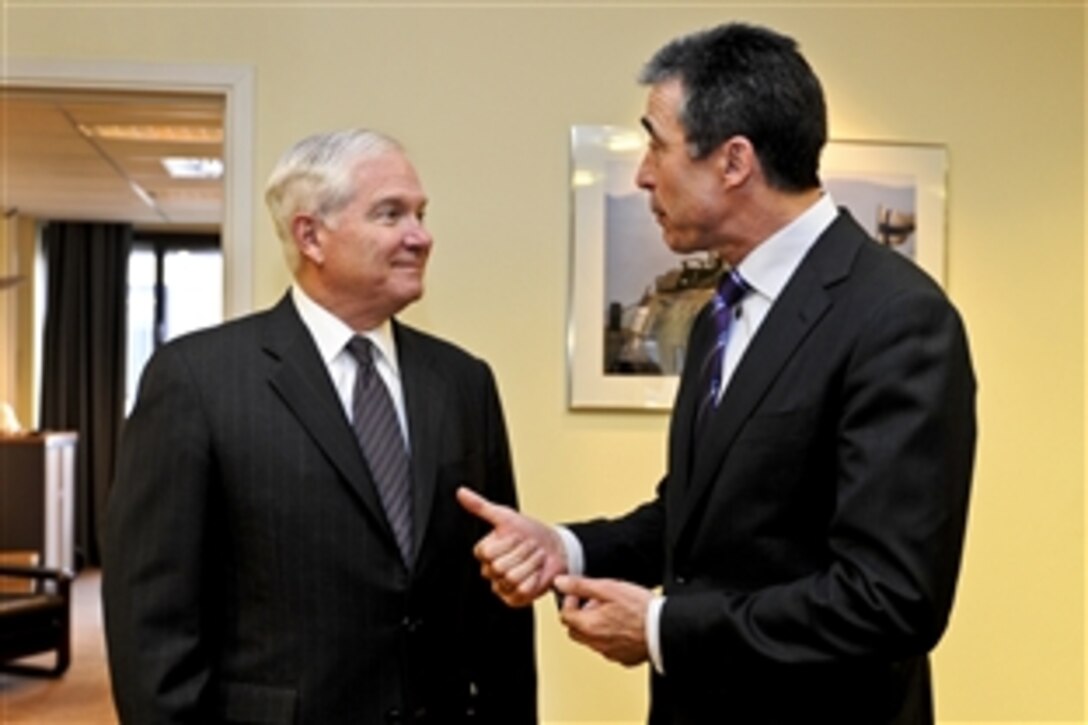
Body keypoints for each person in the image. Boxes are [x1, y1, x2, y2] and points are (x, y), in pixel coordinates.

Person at [458, 22, 976, 724]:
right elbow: (696, 518)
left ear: (733, 161)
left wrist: (661, 629)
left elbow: (888, 599)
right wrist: (565, 545)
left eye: (656, 143)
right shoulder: (720, 313)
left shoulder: (897, 318)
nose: (643, 173)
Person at [102, 129, 537, 724]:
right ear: (311, 235)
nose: (421, 235)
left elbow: (500, 596)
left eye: (421, 213)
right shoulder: (198, 380)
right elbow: (152, 618)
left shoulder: (463, 383)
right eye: (391, 214)